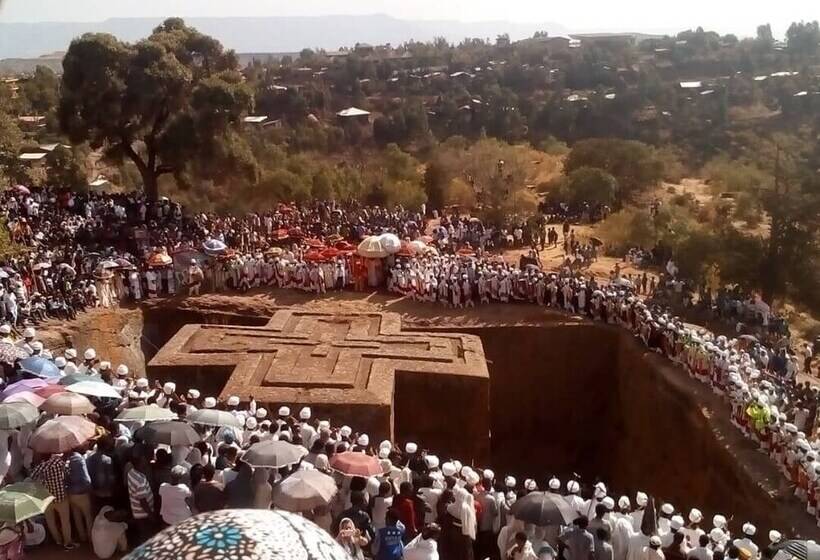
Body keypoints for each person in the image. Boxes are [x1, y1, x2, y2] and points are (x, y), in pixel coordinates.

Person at [31, 453, 75, 550]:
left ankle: (58, 540)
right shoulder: (59, 462)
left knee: (51, 521)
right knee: (65, 521)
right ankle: (67, 542)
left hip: (47, 498)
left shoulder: (42, 466)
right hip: (61, 497)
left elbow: (33, 476)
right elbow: (68, 472)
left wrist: (43, 480)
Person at [65, 448, 94, 543]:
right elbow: (86, 479)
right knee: (88, 516)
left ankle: (82, 537)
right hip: (82, 492)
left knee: (77, 516)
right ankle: (90, 537)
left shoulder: (63, 460)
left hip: (70, 493)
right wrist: (89, 488)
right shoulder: (78, 458)